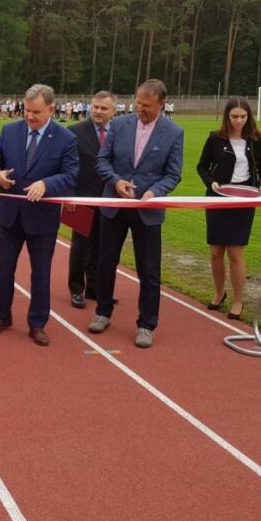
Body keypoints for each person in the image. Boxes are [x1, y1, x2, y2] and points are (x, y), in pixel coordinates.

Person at [89, 79, 184, 349]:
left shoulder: (174, 133)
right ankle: (103, 312)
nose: (141, 109)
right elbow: (102, 160)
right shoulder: (119, 125)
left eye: (147, 106)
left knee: (149, 269)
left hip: (147, 210)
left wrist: (154, 193)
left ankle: (146, 324)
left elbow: (173, 174)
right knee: (106, 262)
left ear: (162, 104)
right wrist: (116, 181)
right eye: (138, 103)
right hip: (114, 205)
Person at [0, 84, 79, 346]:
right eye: (26, 110)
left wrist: (47, 184)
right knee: (4, 269)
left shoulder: (66, 138)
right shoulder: (9, 130)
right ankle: (2, 315)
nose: (29, 116)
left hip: (42, 218)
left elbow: (71, 174)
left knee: (41, 273)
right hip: (10, 215)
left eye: (36, 112)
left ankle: (37, 323)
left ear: (50, 109)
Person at [196, 97, 261, 320]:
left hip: (244, 199)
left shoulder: (257, 139)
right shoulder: (215, 139)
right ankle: (219, 292)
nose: (239, 121)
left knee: (236, 251)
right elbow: (202, 166)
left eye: (243, 117)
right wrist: (211, 182)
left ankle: (238, 301)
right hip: (218, 198)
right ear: (227, 117)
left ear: (249, 117)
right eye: (234, 117)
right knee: (216, 251)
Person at [66, 90, 116, 309]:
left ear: (113, 111)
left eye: (103, 108)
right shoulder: (74, 132)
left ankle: (95, 288)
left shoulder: (118, 132)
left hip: (109, 199)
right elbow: (67, 167)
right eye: (95, 107)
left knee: (102, 245)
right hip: (80, 197)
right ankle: (76, 289)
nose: (97, 111)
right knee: (80, 246)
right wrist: (69, 196)